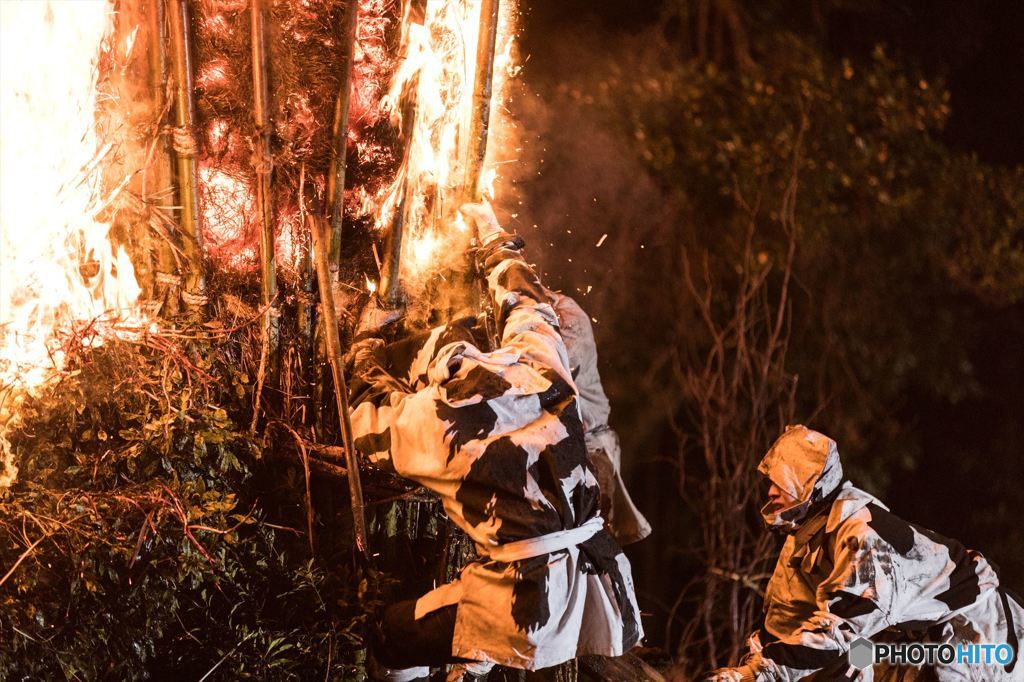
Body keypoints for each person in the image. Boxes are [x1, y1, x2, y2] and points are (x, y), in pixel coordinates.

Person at [347, 202, 643, 681]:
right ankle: (470, 659)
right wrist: (492, 237)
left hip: (526, 601)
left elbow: (363, 422)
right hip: (598, 571)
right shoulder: (537, 367)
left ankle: (466, 655)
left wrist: (363, 349)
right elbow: (527, 303)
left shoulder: (449, 425)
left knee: (391, 634)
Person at [705, 425, 1024, 681]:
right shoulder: (804, 543)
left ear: (813, 489)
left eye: (783, 482)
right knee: (851, 661)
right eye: (771, 482)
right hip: (916, 639)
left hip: (980, 631)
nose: (771, 491)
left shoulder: (862, 536)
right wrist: (742, 673)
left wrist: (756, 675)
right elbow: (782, 625)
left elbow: (836, 634)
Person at [548, 292, 651, 546]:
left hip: (591, 446)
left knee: (586, 527)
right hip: (569, 446)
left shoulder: (568, 317)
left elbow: (551, 371)